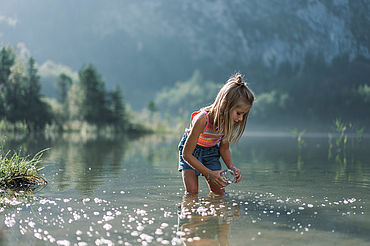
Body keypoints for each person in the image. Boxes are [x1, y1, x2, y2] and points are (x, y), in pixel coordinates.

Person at [178, 73, 255, 195]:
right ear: (224, 104)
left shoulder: (228, 124)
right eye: (239, 113)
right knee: (192, 193)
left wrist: (231, 167)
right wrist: (208, 173)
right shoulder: (202, 119)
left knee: (219, 193)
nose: (240, 119)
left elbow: (224, 149)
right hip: (191, 152)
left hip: (211, 152)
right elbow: (186, 154)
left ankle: (216, 213)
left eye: (244, 115)